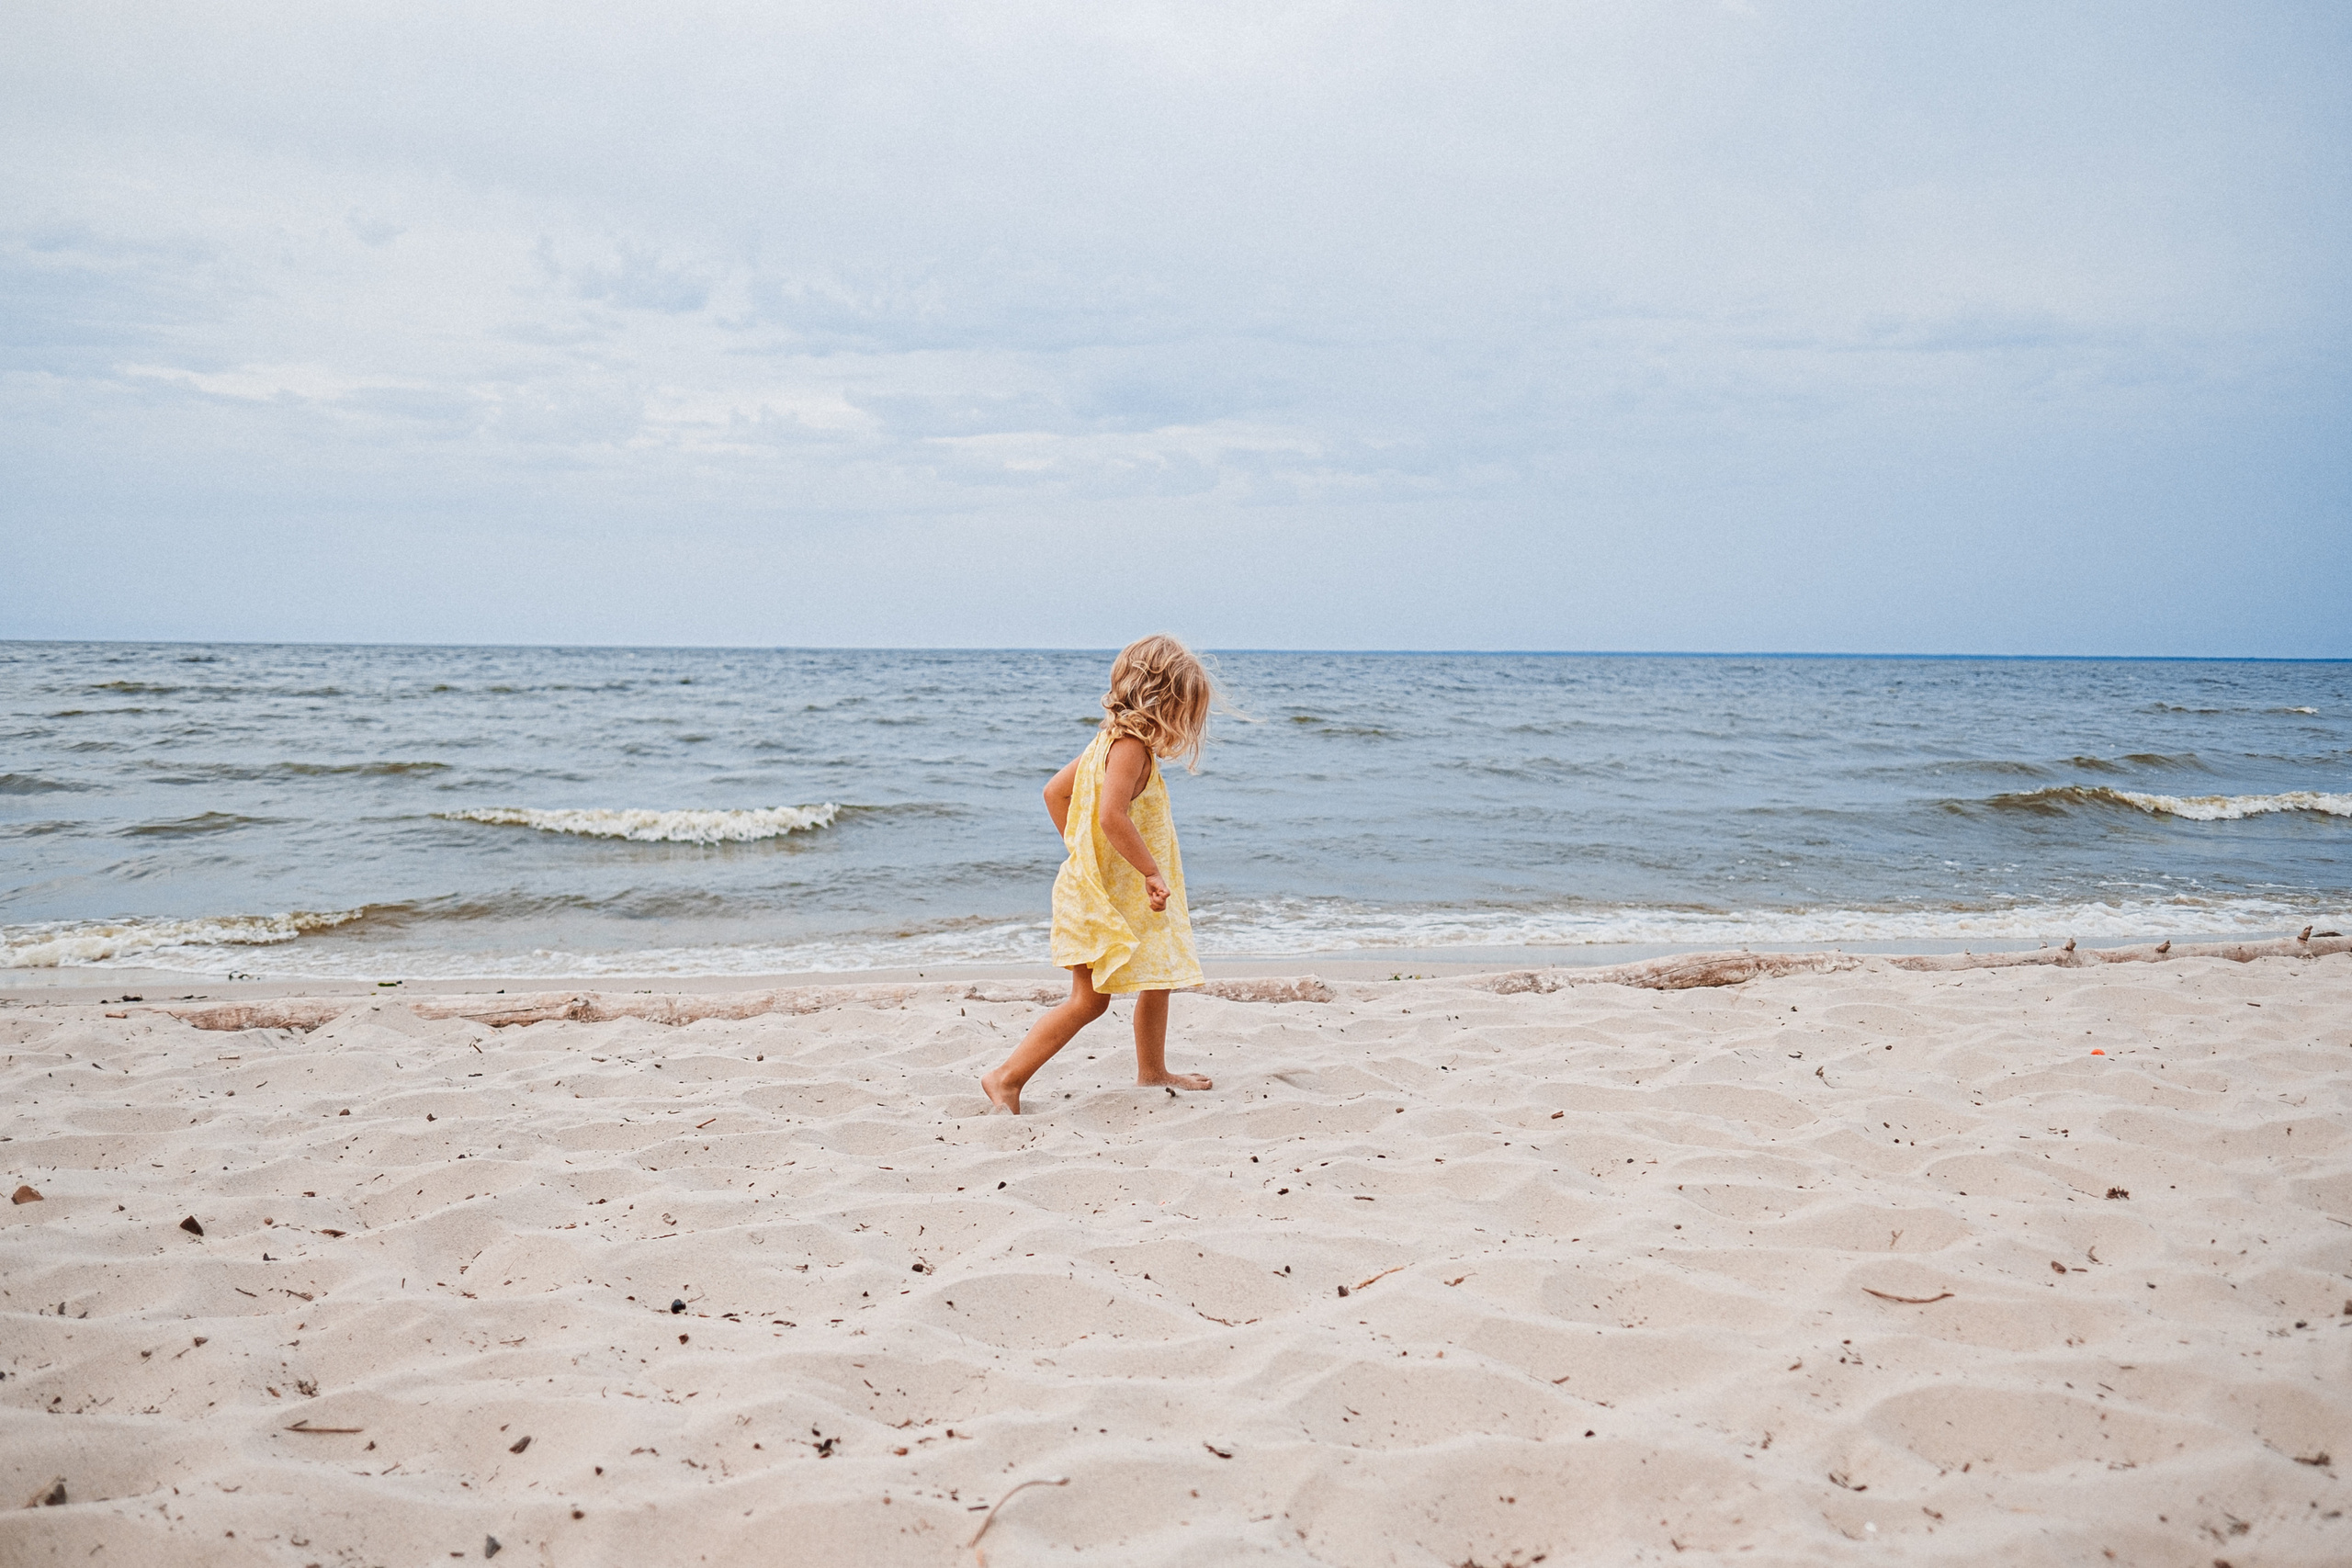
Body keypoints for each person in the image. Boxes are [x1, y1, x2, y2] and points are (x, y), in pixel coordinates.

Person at [982, 635, 1217, 1114]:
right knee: (1089, 1002)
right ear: (1162, 700)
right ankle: (1005, 1077)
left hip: (1112, 890)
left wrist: (1080, 852)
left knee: (1157, 977)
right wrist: (1148, 870)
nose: (1184, 723)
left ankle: (1153, 1071)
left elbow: (1054, 794)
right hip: (1108, 896)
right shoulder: (1129, 747)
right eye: (1183, 710)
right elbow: (1112, 816)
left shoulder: (1105, 742)